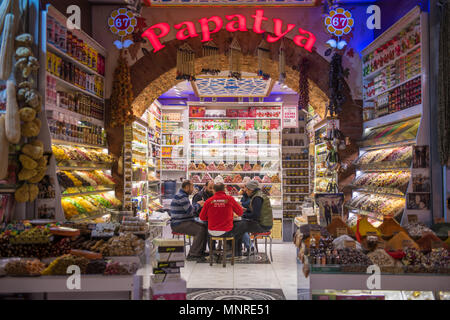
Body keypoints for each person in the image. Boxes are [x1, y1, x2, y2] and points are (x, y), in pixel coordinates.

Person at [169, 180, 207, 261]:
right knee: (200, 230)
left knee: (204, 226)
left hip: (184, 221)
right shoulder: (181, 196)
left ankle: (200, 251)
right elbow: (191, 211)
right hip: (179, 224)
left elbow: (188, 210)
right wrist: (199, 205)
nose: (193, 189)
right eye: (192, 187)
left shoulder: (183, 195)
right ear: (186, 187)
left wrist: (196, 205)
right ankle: (193, 254)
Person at [233, 181, 273, 256]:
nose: (246, 192)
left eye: (247, 190)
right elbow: (257, 211)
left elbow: (255, 215)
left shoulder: (257, 198)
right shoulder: (259, 195)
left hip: (263, 225)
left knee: (238, 226)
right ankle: (239, 251)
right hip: (265, 223)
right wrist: (247, 211)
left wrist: (243, 215)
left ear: (251, 190)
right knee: (240, 225)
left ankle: (237, 252)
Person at [239, 186, 254, 255]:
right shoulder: (244, 196)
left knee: (241, 228)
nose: (243, 189)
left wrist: (242, 205)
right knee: (238, 226)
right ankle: (238, 247)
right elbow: (241, 203)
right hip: (245, 217)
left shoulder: (252, 197)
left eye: (245, 188)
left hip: (251, 219)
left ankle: (250, 247)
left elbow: (246, 204)